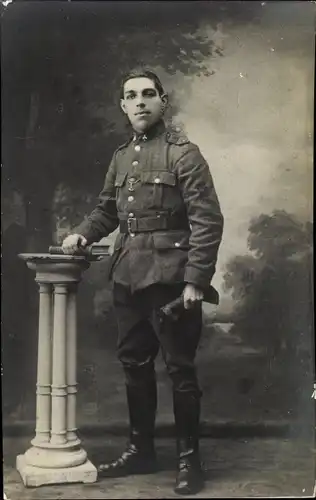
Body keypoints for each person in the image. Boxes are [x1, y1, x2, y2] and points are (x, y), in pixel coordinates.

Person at [62, 69, 224, 495]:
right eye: (131, 96)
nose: (140, 102)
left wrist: (196, 280)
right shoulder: (120, 157)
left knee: (180, 370)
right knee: (134, 365)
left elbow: (207, 220)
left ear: (162, 101)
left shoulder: (184, 154)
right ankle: (142, 450)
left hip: (171, 280)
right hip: (127, 277)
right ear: (122, 105)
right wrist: (83, 232)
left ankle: (190, 461)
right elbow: (107, 212)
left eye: (148, 94)